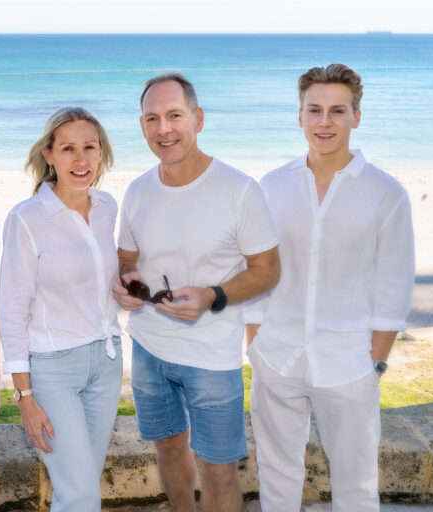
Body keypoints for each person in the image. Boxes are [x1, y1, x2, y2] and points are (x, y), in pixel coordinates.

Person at [244, 63, 415, 511]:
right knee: (276, 477)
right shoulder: (271, 186)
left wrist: (375, 362)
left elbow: (395, 280)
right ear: (299, 115)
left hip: (349, 363)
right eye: (314, 110)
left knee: (357, 486)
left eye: (337, 111)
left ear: (356, 117)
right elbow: (256, 266)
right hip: (277, 357)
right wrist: (255, 341)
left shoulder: (385, 193)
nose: (324, 122)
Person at [113, 74, 281, 512]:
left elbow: (267, 271)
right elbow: (127, 259)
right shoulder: (137, 191)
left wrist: (211, 296)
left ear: (198, 119)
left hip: (212, 357)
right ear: (142, 126)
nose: (163, 129)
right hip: (148, 347)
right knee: (168, 450)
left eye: (174, 116)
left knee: (219, 470)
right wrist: (127, 282)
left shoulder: (239, 190)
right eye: (152, 119)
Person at [0, 107, 122, 511]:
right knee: (79, 492)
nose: (81, 159)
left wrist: (126, 288)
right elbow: (12, 310)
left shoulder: (107, 207)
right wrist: (24, 396)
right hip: (53, 371)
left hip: (107, 362)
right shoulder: (27, 218)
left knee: (81, 487)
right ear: (49, 155)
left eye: (90, 147)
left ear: (102, 153)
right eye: (68, 148)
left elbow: (100, 278)